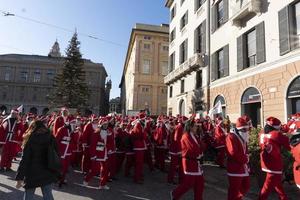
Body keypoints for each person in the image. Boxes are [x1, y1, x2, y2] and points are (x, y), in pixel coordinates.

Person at [15, 120, 59, 200]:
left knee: (29, 195)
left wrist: (19, 178)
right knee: (48, 195)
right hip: (47, 170)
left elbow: (24, 160)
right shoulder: (50, 137)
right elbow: (57, 154)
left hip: (32, 172)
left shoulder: (30, 139)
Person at [171, 118, 205, 200]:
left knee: (200, 184)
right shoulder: (186, 136)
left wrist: (201, 148)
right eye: (195, 126)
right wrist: (200, 152)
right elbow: (193, 148)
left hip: (195, 162)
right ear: (190, 127)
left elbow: (202, 146)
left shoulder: (194, 136)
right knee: (188, 184)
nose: (196, 128)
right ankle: (175, 194)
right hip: (189, 162)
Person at [258, 117, 290, 200]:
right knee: (268, 185)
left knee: (277, 182)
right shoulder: (276, 134)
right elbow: (288, 144)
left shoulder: (262, 132)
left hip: (265, 160)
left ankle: (283, 197)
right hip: (274, 162)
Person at [225, 117, 250, 200]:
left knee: (246, 186)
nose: (246, 132)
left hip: (243, 167)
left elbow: (245, 150)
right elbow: (233, 153)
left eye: (247, 129)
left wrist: (246, 158)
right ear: (240, 130)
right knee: (234, 190)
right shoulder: (231, 137)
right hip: (234, 167)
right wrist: (245, 159)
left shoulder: (242, 137)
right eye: (244, 130)